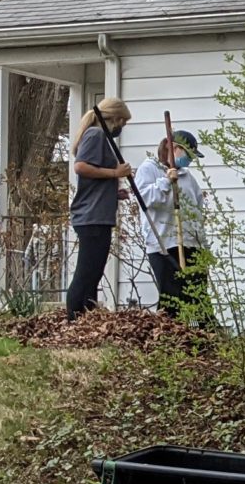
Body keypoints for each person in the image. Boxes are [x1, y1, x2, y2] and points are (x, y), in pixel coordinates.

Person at [64, 98, 133, 319]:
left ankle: (86, 318)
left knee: (93, 273)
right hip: (91, 216)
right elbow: (81, 166)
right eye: (123, 122)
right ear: (115, 118)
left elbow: (94, 180)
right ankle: (74, 319)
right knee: (86, 273)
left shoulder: (97, 135)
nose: (122, 127)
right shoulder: (96, 134)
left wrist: (113, 192)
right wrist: (115, 173)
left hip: (98, 214)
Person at [134, 129, 207, 317]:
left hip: (190, 244)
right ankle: (171, 331)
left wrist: (202, 244)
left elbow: (197, 209)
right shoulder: (149, 169)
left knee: (197, 296)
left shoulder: (187, 177)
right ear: (173, 148)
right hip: (163, 244)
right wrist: (166, 181)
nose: (189, 160)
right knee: (173, 296)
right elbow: (146, 199)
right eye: (188, 154)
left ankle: (197, 330)